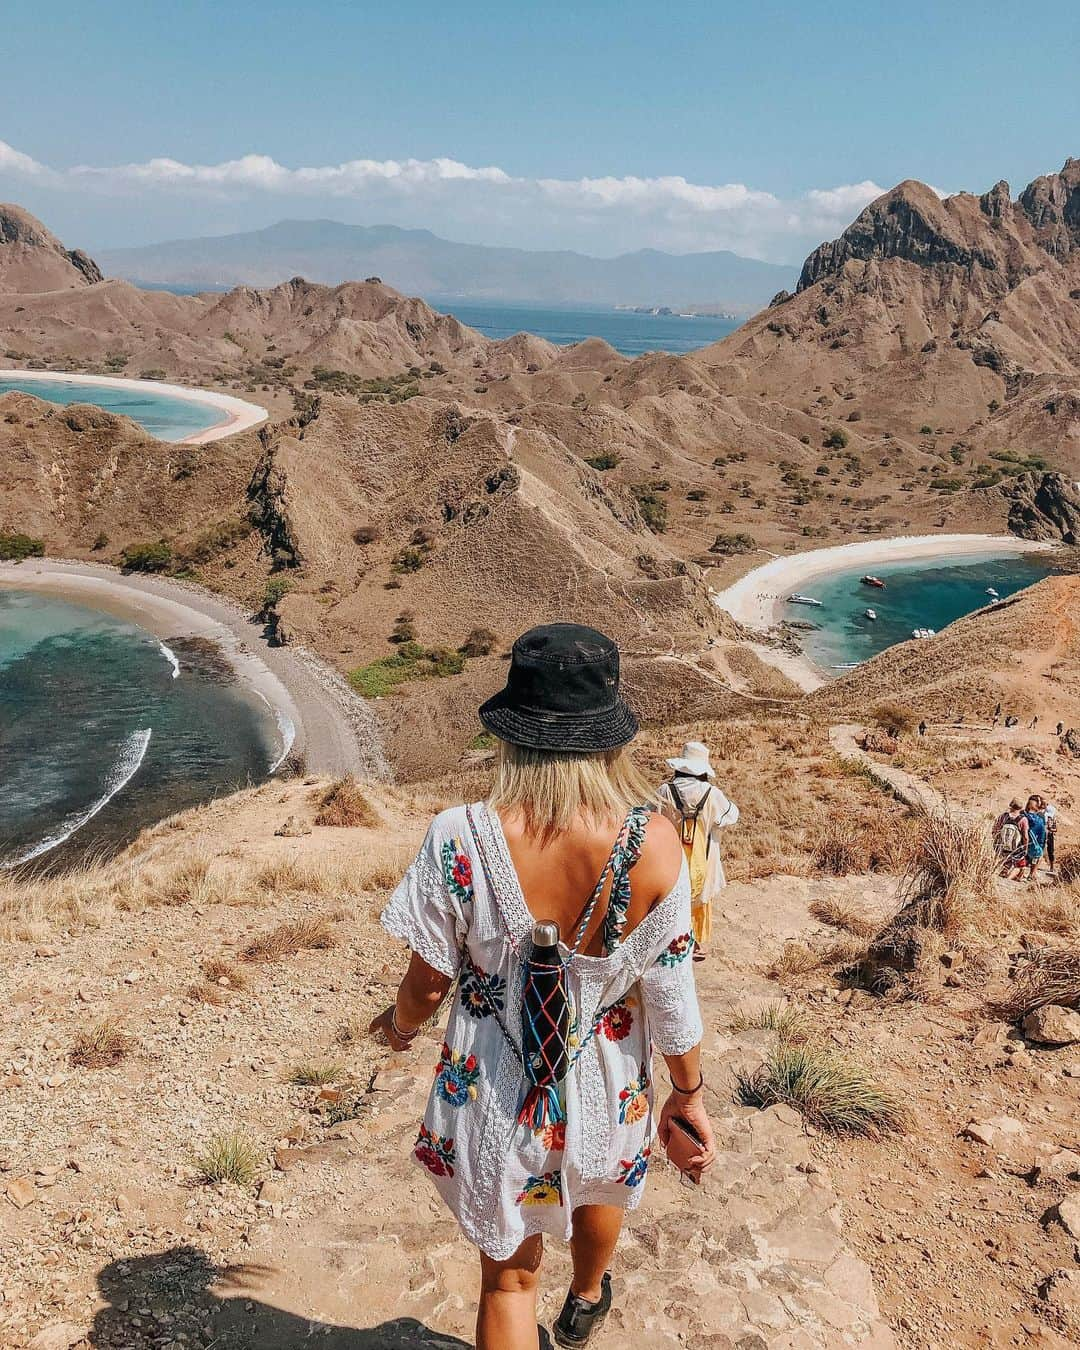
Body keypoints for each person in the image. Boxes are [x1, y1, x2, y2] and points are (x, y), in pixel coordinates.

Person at [370, 623, 715, 1350]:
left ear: (513, 733)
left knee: (507, 1283)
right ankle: (588, 1294)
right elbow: (672, 997)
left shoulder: (458, 834)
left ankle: (560, 1296)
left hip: (498, 1086)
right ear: (610, 736)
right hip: (609, 1078)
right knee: (597, 1184)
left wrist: (398, 1029)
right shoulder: (653, 844)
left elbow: (429, 984)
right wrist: (687, 1096)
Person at [656, 741, 739, 961]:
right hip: (704, 857)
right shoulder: (711, 793)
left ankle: (673, 942)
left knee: (671, 898)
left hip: (671, 857)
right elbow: (731, 816)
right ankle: (697, 943)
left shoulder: (666, 790)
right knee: (700, 899)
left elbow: (650, 814)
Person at [993, 799, 1028, 879]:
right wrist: (1025, 848)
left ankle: (1003, 874)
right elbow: (1025, 836)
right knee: (1020, 865)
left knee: (1004, 861)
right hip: (1016, 847)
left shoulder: (1003, 816)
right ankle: (1008, 879)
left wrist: (996, 841)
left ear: (1011, 805)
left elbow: (995, 830)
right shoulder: (1023, 819)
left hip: (1002, 845)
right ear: (1021, 808)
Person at [1022, 795, 1047, 881]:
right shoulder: (1040, 819)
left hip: (1019, 844)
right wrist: (1041, 846)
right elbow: (1042, 836)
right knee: (1039, 855)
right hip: (1031, 845)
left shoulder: (1022, 814)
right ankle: (1032, 874)